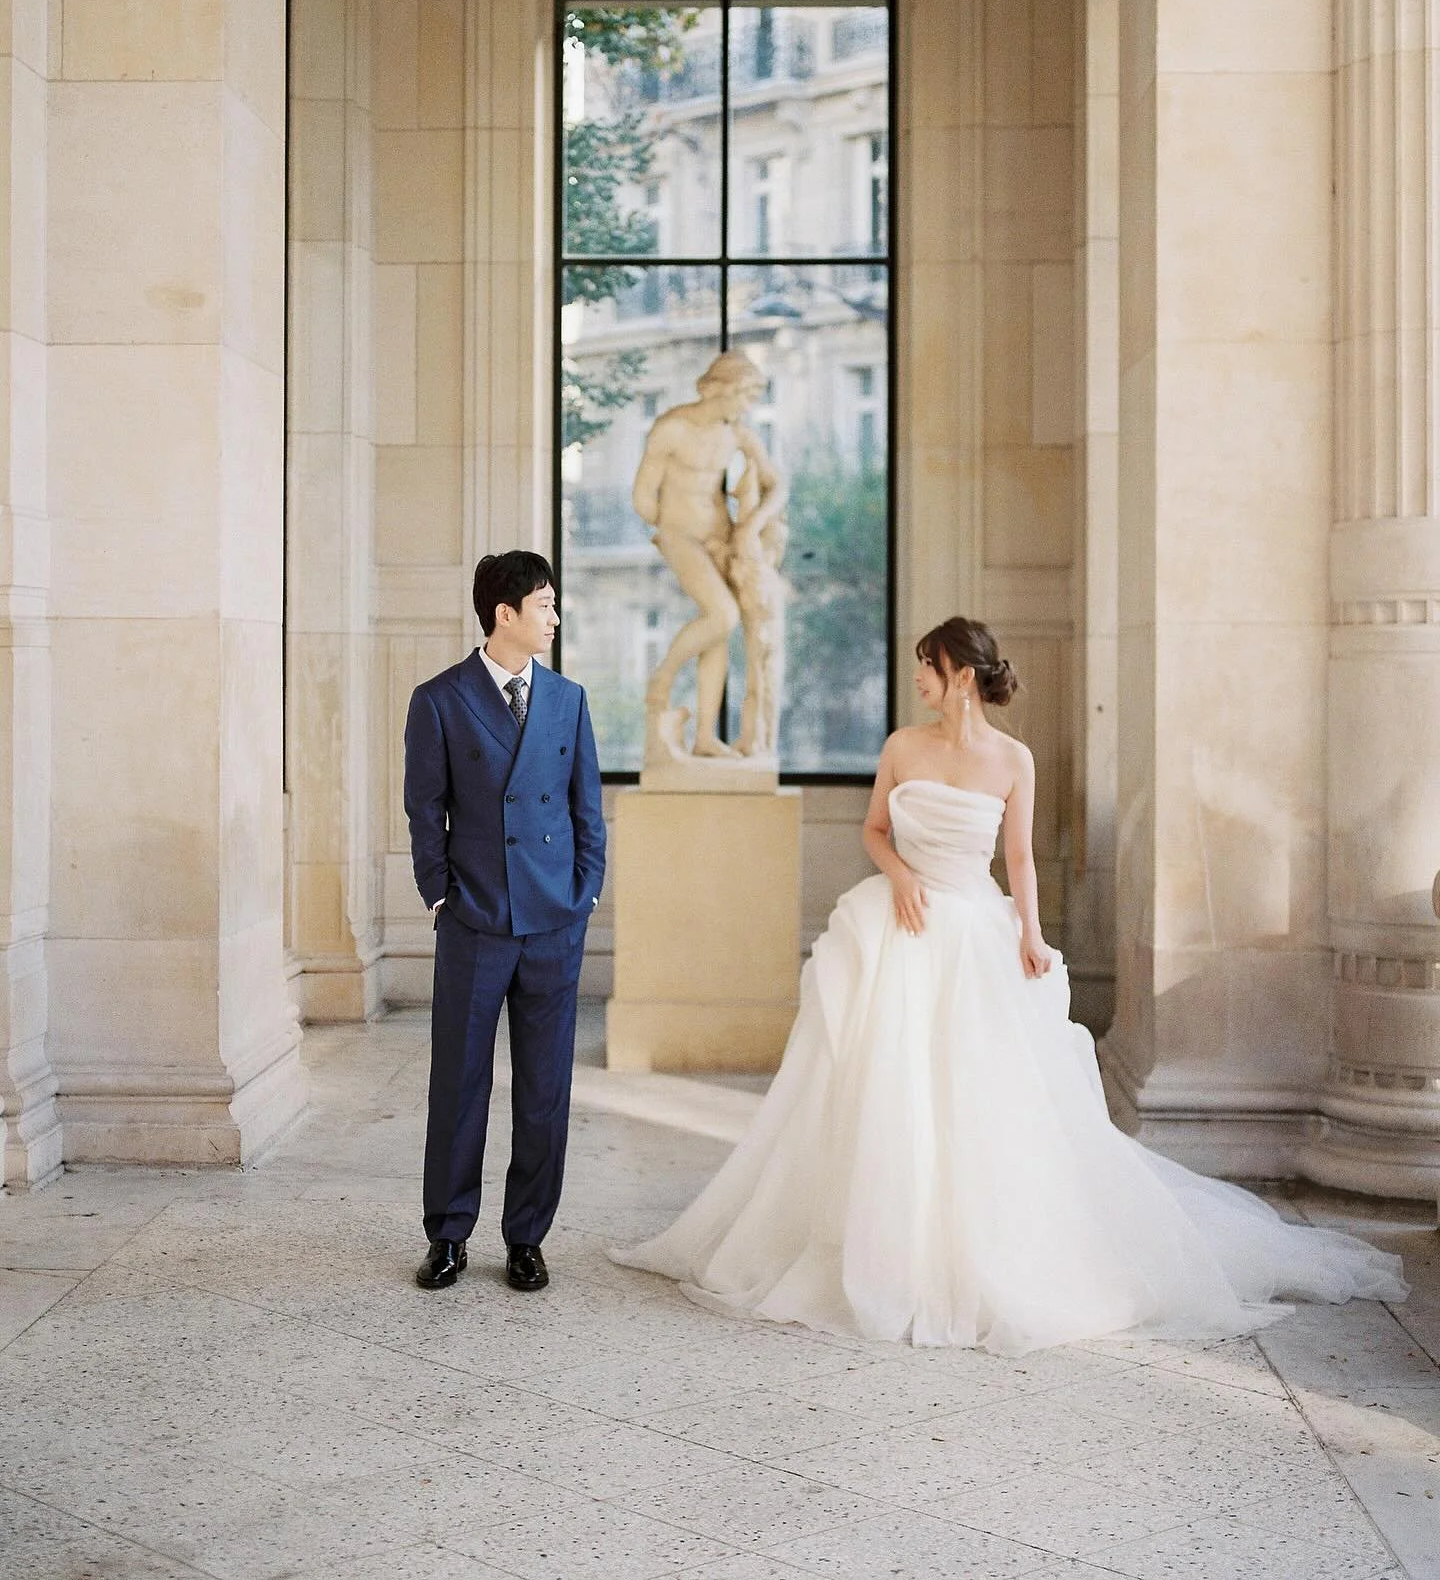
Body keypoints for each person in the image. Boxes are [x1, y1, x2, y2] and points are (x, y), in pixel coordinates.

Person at [612, 617, 1406, 1353]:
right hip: (900, 927)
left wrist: (1030, 932)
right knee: (881, 1085)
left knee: (978, 1098)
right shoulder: (902, 746)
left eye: (928, 665)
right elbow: (874, 830)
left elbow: (1019, 860)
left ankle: (972, 1250)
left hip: (973, 929)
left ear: (959, 675)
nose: (918, 677)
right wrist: (896, 878)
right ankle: (878, 1242)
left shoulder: (1013, 759)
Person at [404, 551, 605, 1293]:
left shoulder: (568, 699)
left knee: (544, 1088)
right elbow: (424, 809)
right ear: (506, 614)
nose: (555, 616)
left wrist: (585, 893)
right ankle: (448, 1235)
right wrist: (440, 895)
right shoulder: (440, 699)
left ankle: (526, 1237)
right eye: (545, 604)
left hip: (554, 921)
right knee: (458, 1084)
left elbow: (588, 808)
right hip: (476, 920)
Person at [631, 349, 785, 762]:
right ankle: (662, 677)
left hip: (721, 537)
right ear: (727, 388)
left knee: (717, 630)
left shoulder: (736, 433)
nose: (749, 407)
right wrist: (665, 530)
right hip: (681, 536)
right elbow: (643, 494)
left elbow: (778, 485)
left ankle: (703, 736)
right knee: (723, 615)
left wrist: (750, 527)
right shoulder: (672, 428)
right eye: (746, 396)